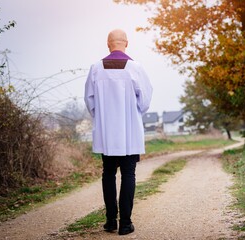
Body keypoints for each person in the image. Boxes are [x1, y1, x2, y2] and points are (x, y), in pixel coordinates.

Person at [84, 29, 153, 235]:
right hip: (129, 131)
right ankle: (125, 223)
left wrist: (103, 117)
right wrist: (133, 111)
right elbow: (145, 101)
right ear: (126, 44)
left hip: (107, 134)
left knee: (108, 174)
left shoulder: (96, 69)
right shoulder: (135, 68)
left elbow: (90, 101)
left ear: (108, 45)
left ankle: (110, 221)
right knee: (128, 174)